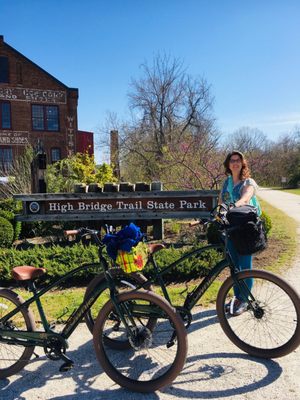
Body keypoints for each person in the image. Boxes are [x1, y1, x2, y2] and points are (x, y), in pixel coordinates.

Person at [219, 150, 261, 316]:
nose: (235, 163)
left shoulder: (248, 182)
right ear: (228, 164)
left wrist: (234, 205)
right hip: (230, 228)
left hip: (245, 228)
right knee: (234, 265)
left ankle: (244, 299)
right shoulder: (226, 182)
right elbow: (221, 200)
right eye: (232, 160)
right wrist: (220, 211)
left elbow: (246, 197)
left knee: (245, 265)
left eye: (238, 160)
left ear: (242, 163)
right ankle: (237, 297)